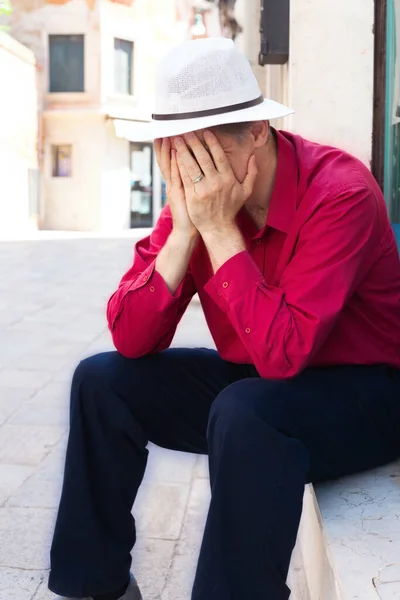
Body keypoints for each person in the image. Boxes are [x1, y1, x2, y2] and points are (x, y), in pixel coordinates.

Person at [49, 37, 400, 600]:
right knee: (100, 380)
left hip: (367, 391)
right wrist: (186, 231)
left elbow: (285, 353)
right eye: (176, 154)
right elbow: (131, 337)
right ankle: (98, 586)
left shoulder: (341, 193)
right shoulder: (193, 203)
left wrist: (216, 230)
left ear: (256, 132)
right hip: (265, 381)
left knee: (247, 411)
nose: (191, 174)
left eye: (205, 154)